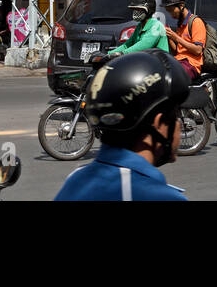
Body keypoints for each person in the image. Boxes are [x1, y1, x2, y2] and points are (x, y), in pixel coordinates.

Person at [55, 51, 190, 201]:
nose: (179, 125)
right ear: (159, 125)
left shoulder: (76, 180)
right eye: (176, 114)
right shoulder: (161, 196)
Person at [160, 0, 205, 81]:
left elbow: (197, 50)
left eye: (172, 10)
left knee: (170, 78)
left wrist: (176, 37)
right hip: (178, 61)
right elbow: (178, 51)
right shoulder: (180, 24)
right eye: (168, 11)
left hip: (191, 65)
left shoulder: (196, 22)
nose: (171, 14)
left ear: (181, 5)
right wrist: (169, 37)